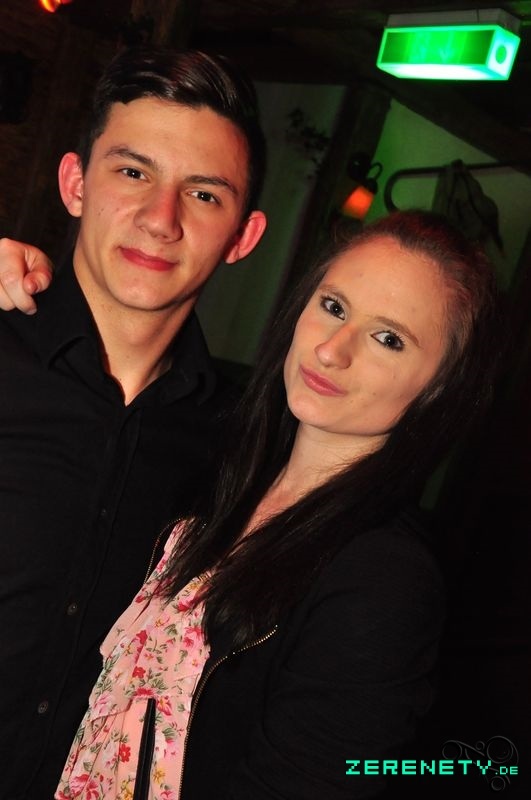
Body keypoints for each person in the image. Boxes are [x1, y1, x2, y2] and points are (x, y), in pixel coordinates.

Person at [53, 209, 500, 799]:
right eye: (333, 307)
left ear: (439, 386)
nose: (333, 350)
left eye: (388, 339)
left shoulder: (385, 579)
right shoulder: (219, 477)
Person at [0, 45, 267, 799]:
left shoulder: (241, 444)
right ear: (75, 183)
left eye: (204, 194)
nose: (160, 219)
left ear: (243, 237)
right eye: (132, 172)